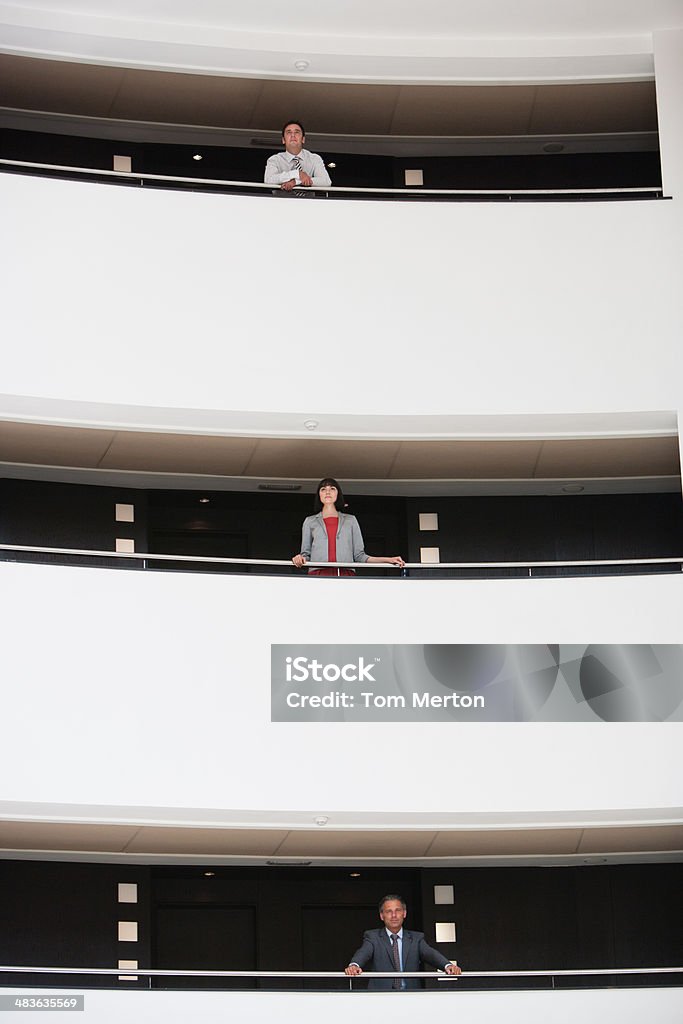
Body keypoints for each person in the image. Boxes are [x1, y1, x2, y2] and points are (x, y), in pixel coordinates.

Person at [345, 894, 461, 991]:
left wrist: (448, 965)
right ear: (382, 916)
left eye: (398, 910)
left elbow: (430, 954)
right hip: (380, 996)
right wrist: (354, 965)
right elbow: (363, 953)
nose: (394, 915)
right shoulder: (373, 937)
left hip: (410, 996)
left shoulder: (416, 938)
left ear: (404, 913)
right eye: (389, 911)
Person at [292, 478, 405, 577]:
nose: (327, 492)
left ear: (338, 494)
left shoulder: (351, 520)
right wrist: (299, 558)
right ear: (319, 495)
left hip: (345, 574)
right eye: (323, 489)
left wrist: (388, 560)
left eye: (332, 488)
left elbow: (360, 556)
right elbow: (305, 555)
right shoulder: (310, 521)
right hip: (318, 574)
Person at [264, 120, 331, 194]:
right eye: (289, 132)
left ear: (303, 139)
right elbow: (268, 181)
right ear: (283, 140)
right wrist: (296, 174)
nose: (293, 135)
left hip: (308, 204)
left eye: (297, 132)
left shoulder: (314, 159)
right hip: (282, 204)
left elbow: (326, 182)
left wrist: (296, 181)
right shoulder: (274, 160)